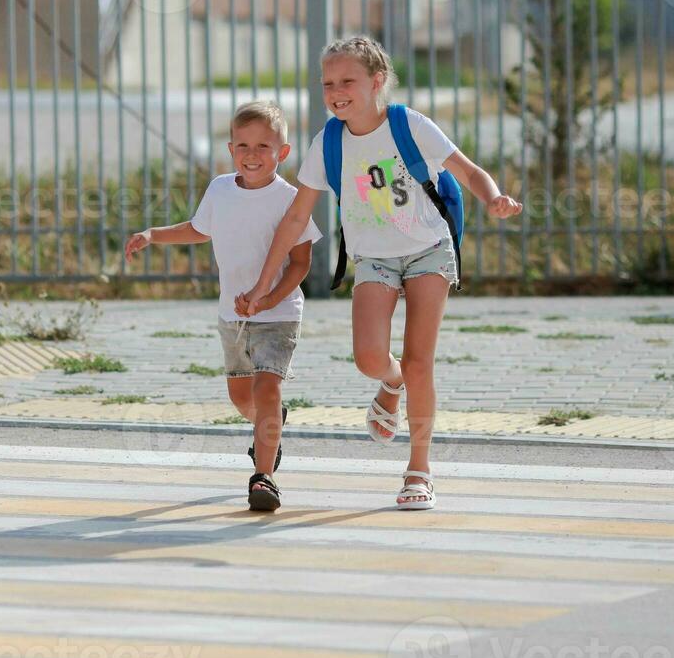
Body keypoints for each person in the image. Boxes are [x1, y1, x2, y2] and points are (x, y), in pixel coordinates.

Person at [236, 36, 522, 510]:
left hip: (430, 249)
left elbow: (469, 171)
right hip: (373, 259)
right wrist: (264, 284)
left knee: (420, 361)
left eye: (347, 80)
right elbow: (293, 220)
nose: (336, 90)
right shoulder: (327, 142)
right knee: (371, 358)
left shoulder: (409, 125)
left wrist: (493, 197)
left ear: (377, 81)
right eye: (328, 83)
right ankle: (391, 385)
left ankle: (419, 469)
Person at [124, 99, 320, 512]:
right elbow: (198, 229)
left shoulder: (290, 199)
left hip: (279, 314)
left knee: (267, 386)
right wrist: (152, 234)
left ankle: (263, 477)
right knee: (241, 398)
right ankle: (270, 425)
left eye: (264, 146)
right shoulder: (220, 189)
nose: (252, 155)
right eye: (243, 146)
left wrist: (270, 298)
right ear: (231, 150)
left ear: (282, 153)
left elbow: (301, 263)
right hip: (232, 316)